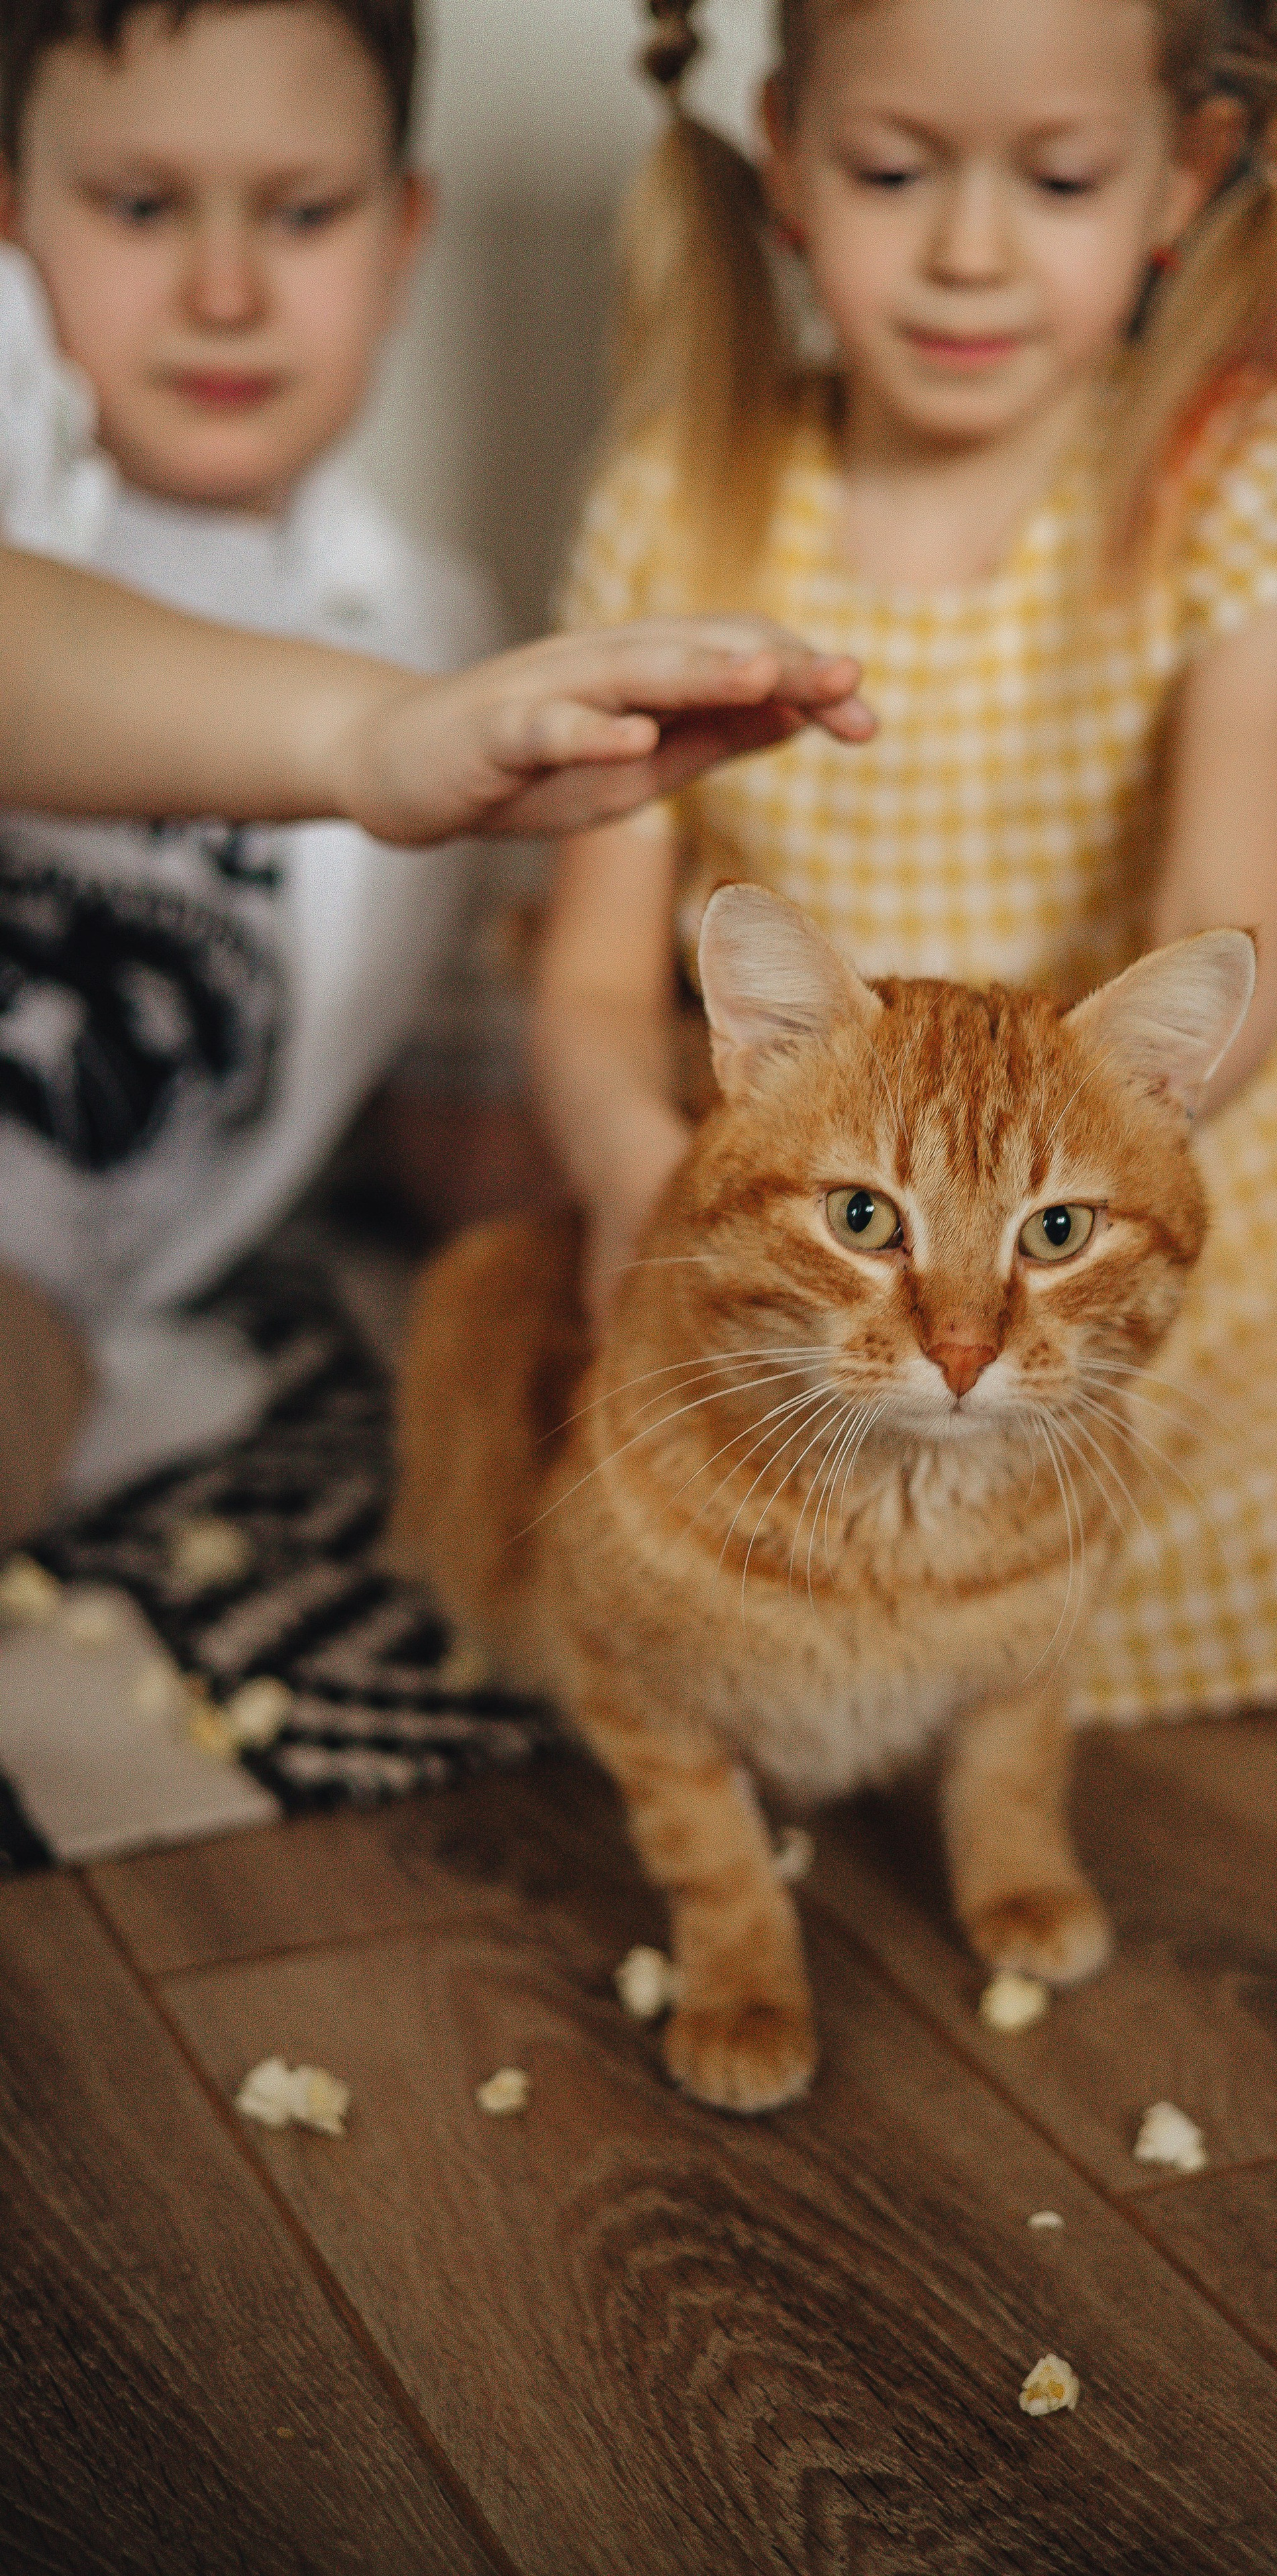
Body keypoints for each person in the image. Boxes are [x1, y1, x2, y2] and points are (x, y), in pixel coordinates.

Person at [539, 0, 1277, 1724]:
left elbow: (1220, 940)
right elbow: (596, 971)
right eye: (895, 171)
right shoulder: (680, 497)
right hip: (818, 1190)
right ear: (790, 157)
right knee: (650, 1495)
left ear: (1180, 179)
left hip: (1114, 1167)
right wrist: (620, 1173)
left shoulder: (1224, 494)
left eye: (1054, 179)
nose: (967, 253)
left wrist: (1096, 1156)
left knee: (1215, 1519)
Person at [0, 0, 868, 1546]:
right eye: (140, 206)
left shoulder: (431, 632)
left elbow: (418, 1082)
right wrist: (361, 744)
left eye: (303, 212)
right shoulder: (20, 451)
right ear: (10, 211)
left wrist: (688, 1165)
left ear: (404, 234)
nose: (222, 290)